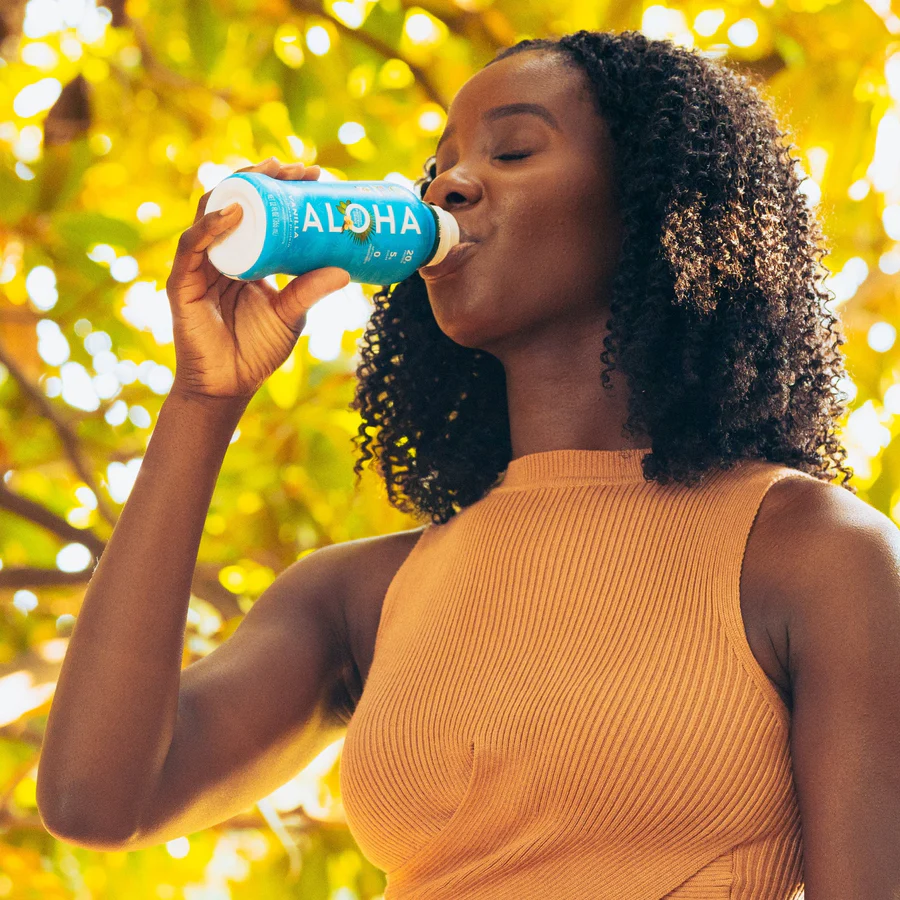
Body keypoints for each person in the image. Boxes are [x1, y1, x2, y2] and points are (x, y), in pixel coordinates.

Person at [37, 29, 900, 900]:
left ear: (653, 205)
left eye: (514, 149)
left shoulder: (812, 554)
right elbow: (98, 799)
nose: (448, 185)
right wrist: (201, 403)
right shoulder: (359, 596)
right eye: (436, 169)